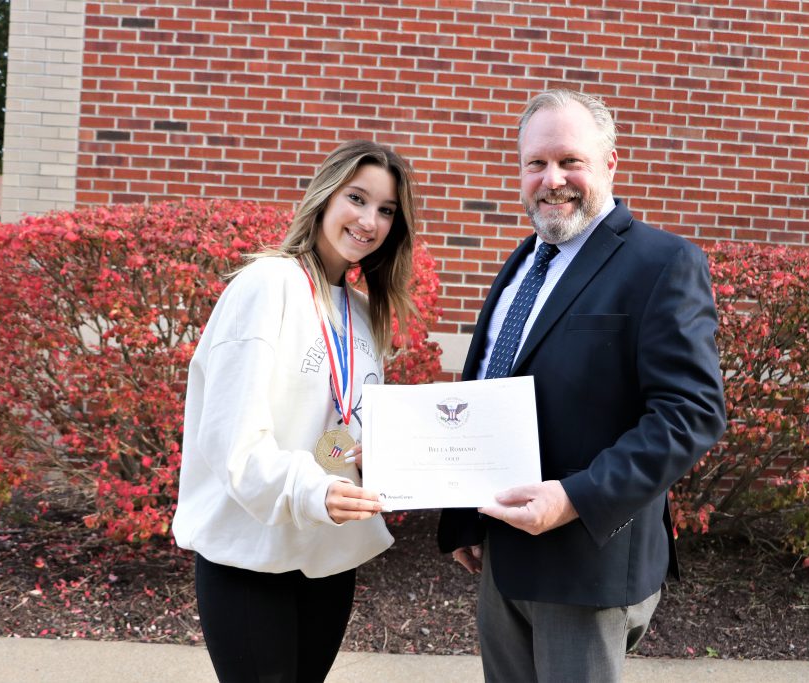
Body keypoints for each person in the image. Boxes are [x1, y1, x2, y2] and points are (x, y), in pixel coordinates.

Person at [438, 89, 728, 681]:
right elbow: (488, 390)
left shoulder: (661, 262)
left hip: (589, 563)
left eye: (571, 160)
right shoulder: (522, 262)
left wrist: (574, 499)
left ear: (610, 164)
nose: (552, 179)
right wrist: (465, 519)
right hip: (504, 551)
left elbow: (691, 412)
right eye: (535, 164)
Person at [172, 140, 418, 682]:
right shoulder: (268, 284)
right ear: (326, 196)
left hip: (325, 553)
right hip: (252, 555)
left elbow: (338, 431)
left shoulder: (359, 311)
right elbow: (231, 440)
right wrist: (312, 490)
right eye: (357, 197)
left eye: (386, 210)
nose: (369, 220)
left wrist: (385, 461)